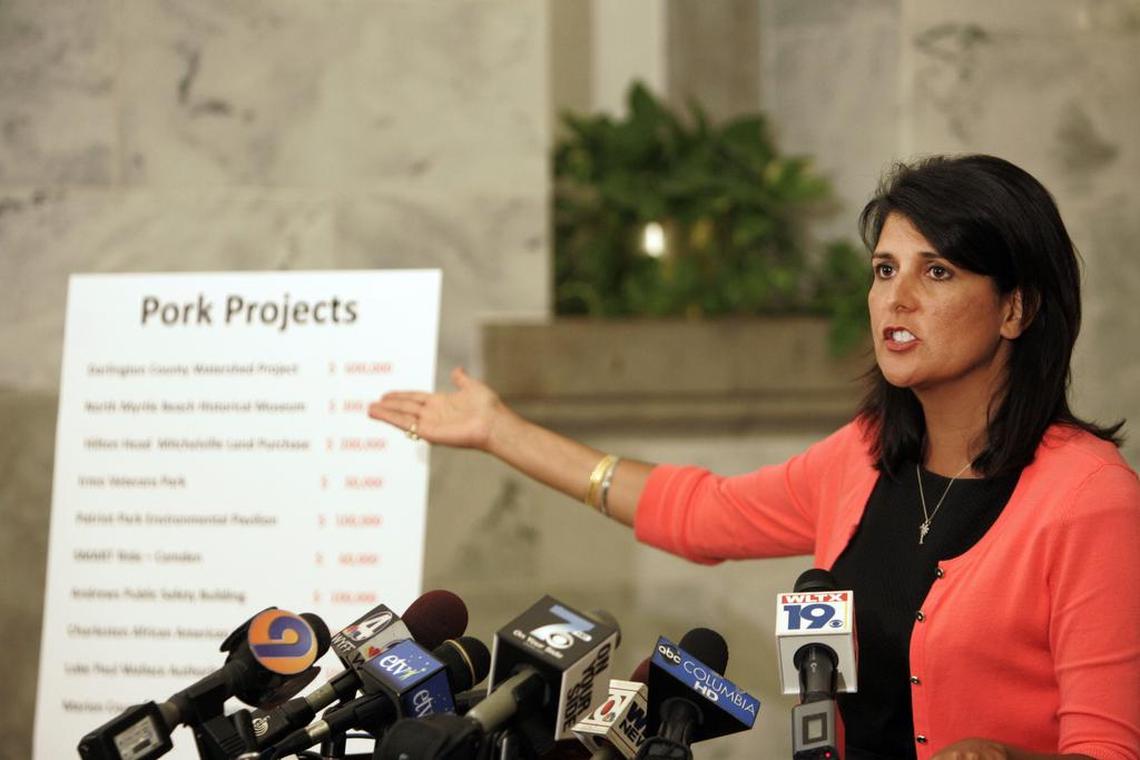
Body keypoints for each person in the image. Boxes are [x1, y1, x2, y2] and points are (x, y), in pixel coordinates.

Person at [368, 155, 1140, 760]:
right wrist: (501, 431)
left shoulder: (1087, 499)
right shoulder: (863, 459)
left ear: (1017, 307)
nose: (896, 299)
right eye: (883, 269)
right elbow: (701, 514)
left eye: (936, 272)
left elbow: (1109, 749)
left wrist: (1002, 756)